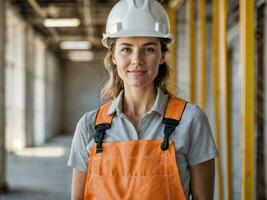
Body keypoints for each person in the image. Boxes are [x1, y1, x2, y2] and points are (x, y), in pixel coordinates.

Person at [68, 0, 218, 199]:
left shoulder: (191, 120)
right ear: (113, 56)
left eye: (148, 49)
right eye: (126, 49)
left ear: (162, 55)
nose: (136, 60)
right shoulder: (89, 126)